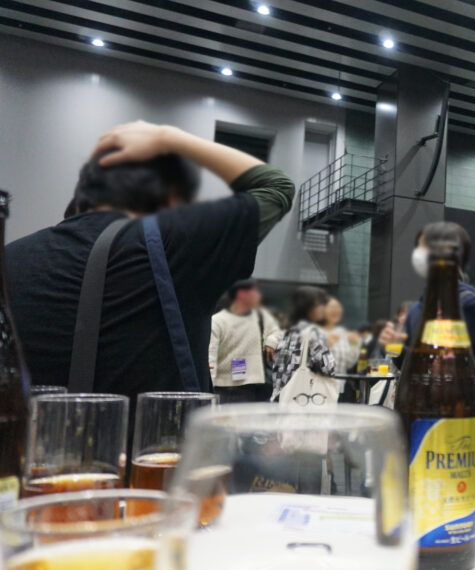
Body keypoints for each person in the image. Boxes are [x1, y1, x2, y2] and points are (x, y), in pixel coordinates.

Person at [7, 121, 294, 398]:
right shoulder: (176, 245)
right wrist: (170, 138)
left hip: (26, 430)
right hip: (151, 432)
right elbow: (276, 187)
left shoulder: (10, 257)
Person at [387, 222, 475, 482]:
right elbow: (407, 362)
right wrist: (397, 348)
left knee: (450, 488)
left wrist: (473, 397)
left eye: (424, 247)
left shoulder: (467, 303)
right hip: (415, 418)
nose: (419, 254)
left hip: (453, 425)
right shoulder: (420, 306)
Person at [208, 279, 282, 403]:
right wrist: (209, 392)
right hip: (224, 388)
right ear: (241, 294)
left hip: (255, 386)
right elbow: (210, 357)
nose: (259, 296)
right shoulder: (217, 321)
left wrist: (271, 342)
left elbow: (277, 331)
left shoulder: (260, 316)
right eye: (255, 292)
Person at [271, 287, 335, 401]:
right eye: (319, 304)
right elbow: (328, 367)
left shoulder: (288, 331)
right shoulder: (313, 333)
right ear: (307, 307)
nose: (323, 308)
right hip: (303, 400)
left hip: (281, 398)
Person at [321, 297, 360, 373]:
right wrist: (326, 345)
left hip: (340, 380)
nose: (335, 310)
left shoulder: (342, 332)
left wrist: (354, 344)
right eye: (332, 307)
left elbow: (348, 364)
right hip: (320, 380)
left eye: (338, 307)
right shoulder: (315, 332)